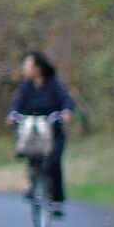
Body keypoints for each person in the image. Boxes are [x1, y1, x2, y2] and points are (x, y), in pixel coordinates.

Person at [9, 52, 80, 214]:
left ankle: (57, 200)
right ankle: (33, 184)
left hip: (53, 130)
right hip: (33, 129)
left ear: (38, 68)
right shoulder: (26, 86)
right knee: (30, 152)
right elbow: (16, 104)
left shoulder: (54, 84)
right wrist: (12, 113)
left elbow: (66, 101)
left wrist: (66, 112)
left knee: (53, 162)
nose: (24, 69)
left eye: (27, 66)